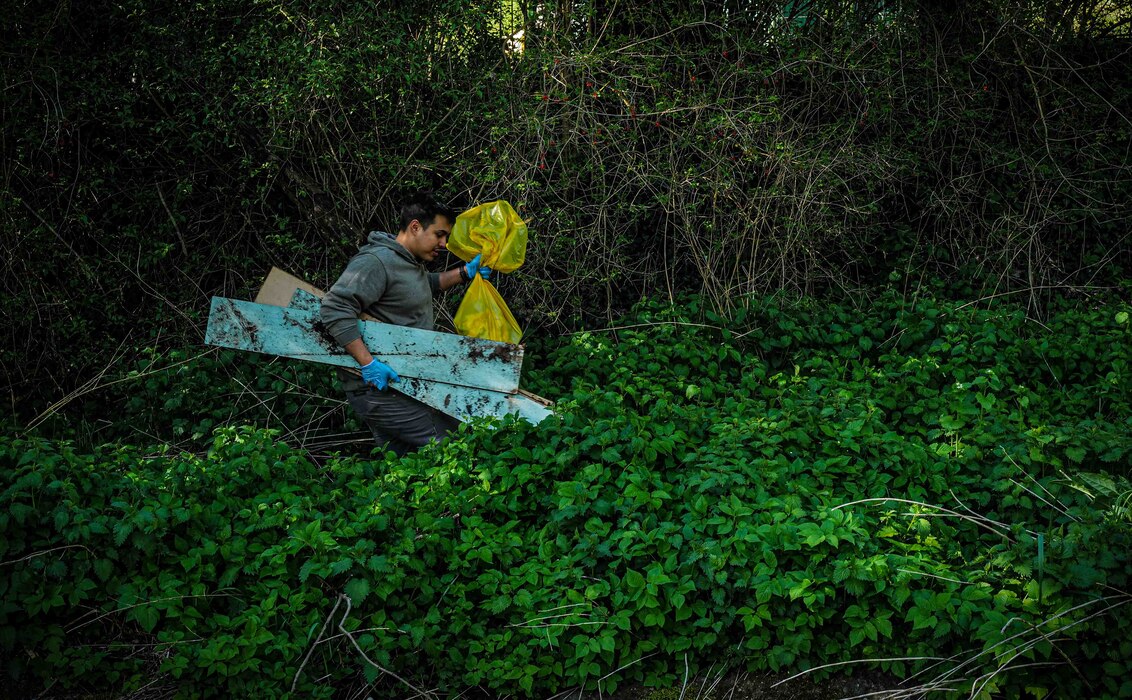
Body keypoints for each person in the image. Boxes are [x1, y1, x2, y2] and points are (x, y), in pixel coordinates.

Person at [320, 192, 490, 455]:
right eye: (439, 234)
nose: (444, 243)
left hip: (400, 385)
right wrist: (368, 364)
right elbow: (335, 308)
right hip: (377, 389)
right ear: (415, 227)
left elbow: (424, 286)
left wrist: (465, 273)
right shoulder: (376, 262)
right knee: (453, 444)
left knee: (403, 463)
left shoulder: (408, 263)